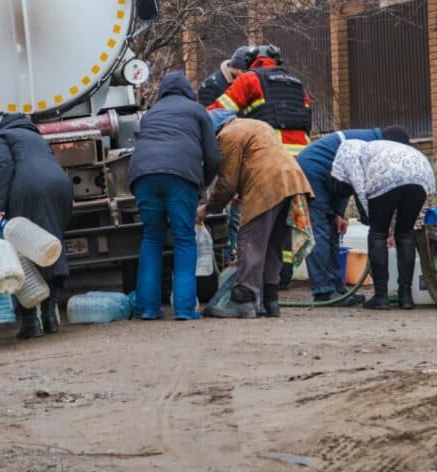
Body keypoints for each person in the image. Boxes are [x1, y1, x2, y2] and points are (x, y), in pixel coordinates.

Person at [207, 44, 312, 286]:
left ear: (252, 61)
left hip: (268, 159)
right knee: (286, 222)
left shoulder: (250, 79)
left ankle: (254, 286)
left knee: (256, 226)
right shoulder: (296, 84)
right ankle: (281, 278)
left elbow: (219, 111)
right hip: (299, 161)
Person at [198, 111, 313, 318]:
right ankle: (271, 300)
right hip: (292, 183)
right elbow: (258, 160)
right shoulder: (256, 125)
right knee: (272, 245)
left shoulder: (228, 135)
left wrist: (207, 209)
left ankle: (244, 299)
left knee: (250, 241)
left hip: (267, 186)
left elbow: (227, 183)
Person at [128, 71, 221, 320]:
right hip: (180, 176)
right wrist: (202, 184)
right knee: (184, 239)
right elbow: (213, 157)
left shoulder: (150, 114)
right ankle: (184, 308)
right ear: (187, 91)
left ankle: (147, 308)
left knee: (151, 239)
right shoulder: (196, 110)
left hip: (142, 176)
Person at [298, 125, 411, 303]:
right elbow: (362, 189)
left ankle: (337, 289)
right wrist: (377, 226)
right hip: (312, 172)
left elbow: (347, 182)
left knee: (333, 230)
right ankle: (324, 291)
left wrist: (338, 213)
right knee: (320, 229)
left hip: (331, 178)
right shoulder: (369, 145)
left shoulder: (373, 143)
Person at [0, 113, 73, 338]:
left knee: (22, 253)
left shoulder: (0, 136)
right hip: (60, 185)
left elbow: (1, 166)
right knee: (49, 246)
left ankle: (31, 323)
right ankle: (50, 317)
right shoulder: (34, 136)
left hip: (29, 190)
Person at [331, 138, 435, 310]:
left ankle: (381, 297)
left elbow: (359, 187)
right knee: (405, 233)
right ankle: (406, 297)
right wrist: (392, 227)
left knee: (377, 233)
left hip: (387, 173)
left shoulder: (347, 150)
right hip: (421, 172)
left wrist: (373, 221)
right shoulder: (374, 147)